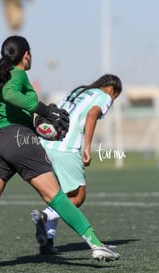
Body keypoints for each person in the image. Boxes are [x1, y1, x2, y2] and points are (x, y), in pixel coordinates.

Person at [0, 35, 120, 265]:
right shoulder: (18, 73)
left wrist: (40, 123)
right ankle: (96, 244)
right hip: (19, 139)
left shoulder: (0, 76)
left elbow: (11, 105)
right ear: (26, 55)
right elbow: (12, 95)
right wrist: (44, 110)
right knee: (57, 197)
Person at [30, 74, 122, 255]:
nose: (113, 100)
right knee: (78, 197)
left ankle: (47, 242)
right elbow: (92, 115)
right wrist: (87, 147)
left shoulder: (78, 91)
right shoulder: (104, 96)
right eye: (115, 97)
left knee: (60, 194)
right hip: (66, 149)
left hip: (46, 144)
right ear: (112, 90)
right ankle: (44, 216)